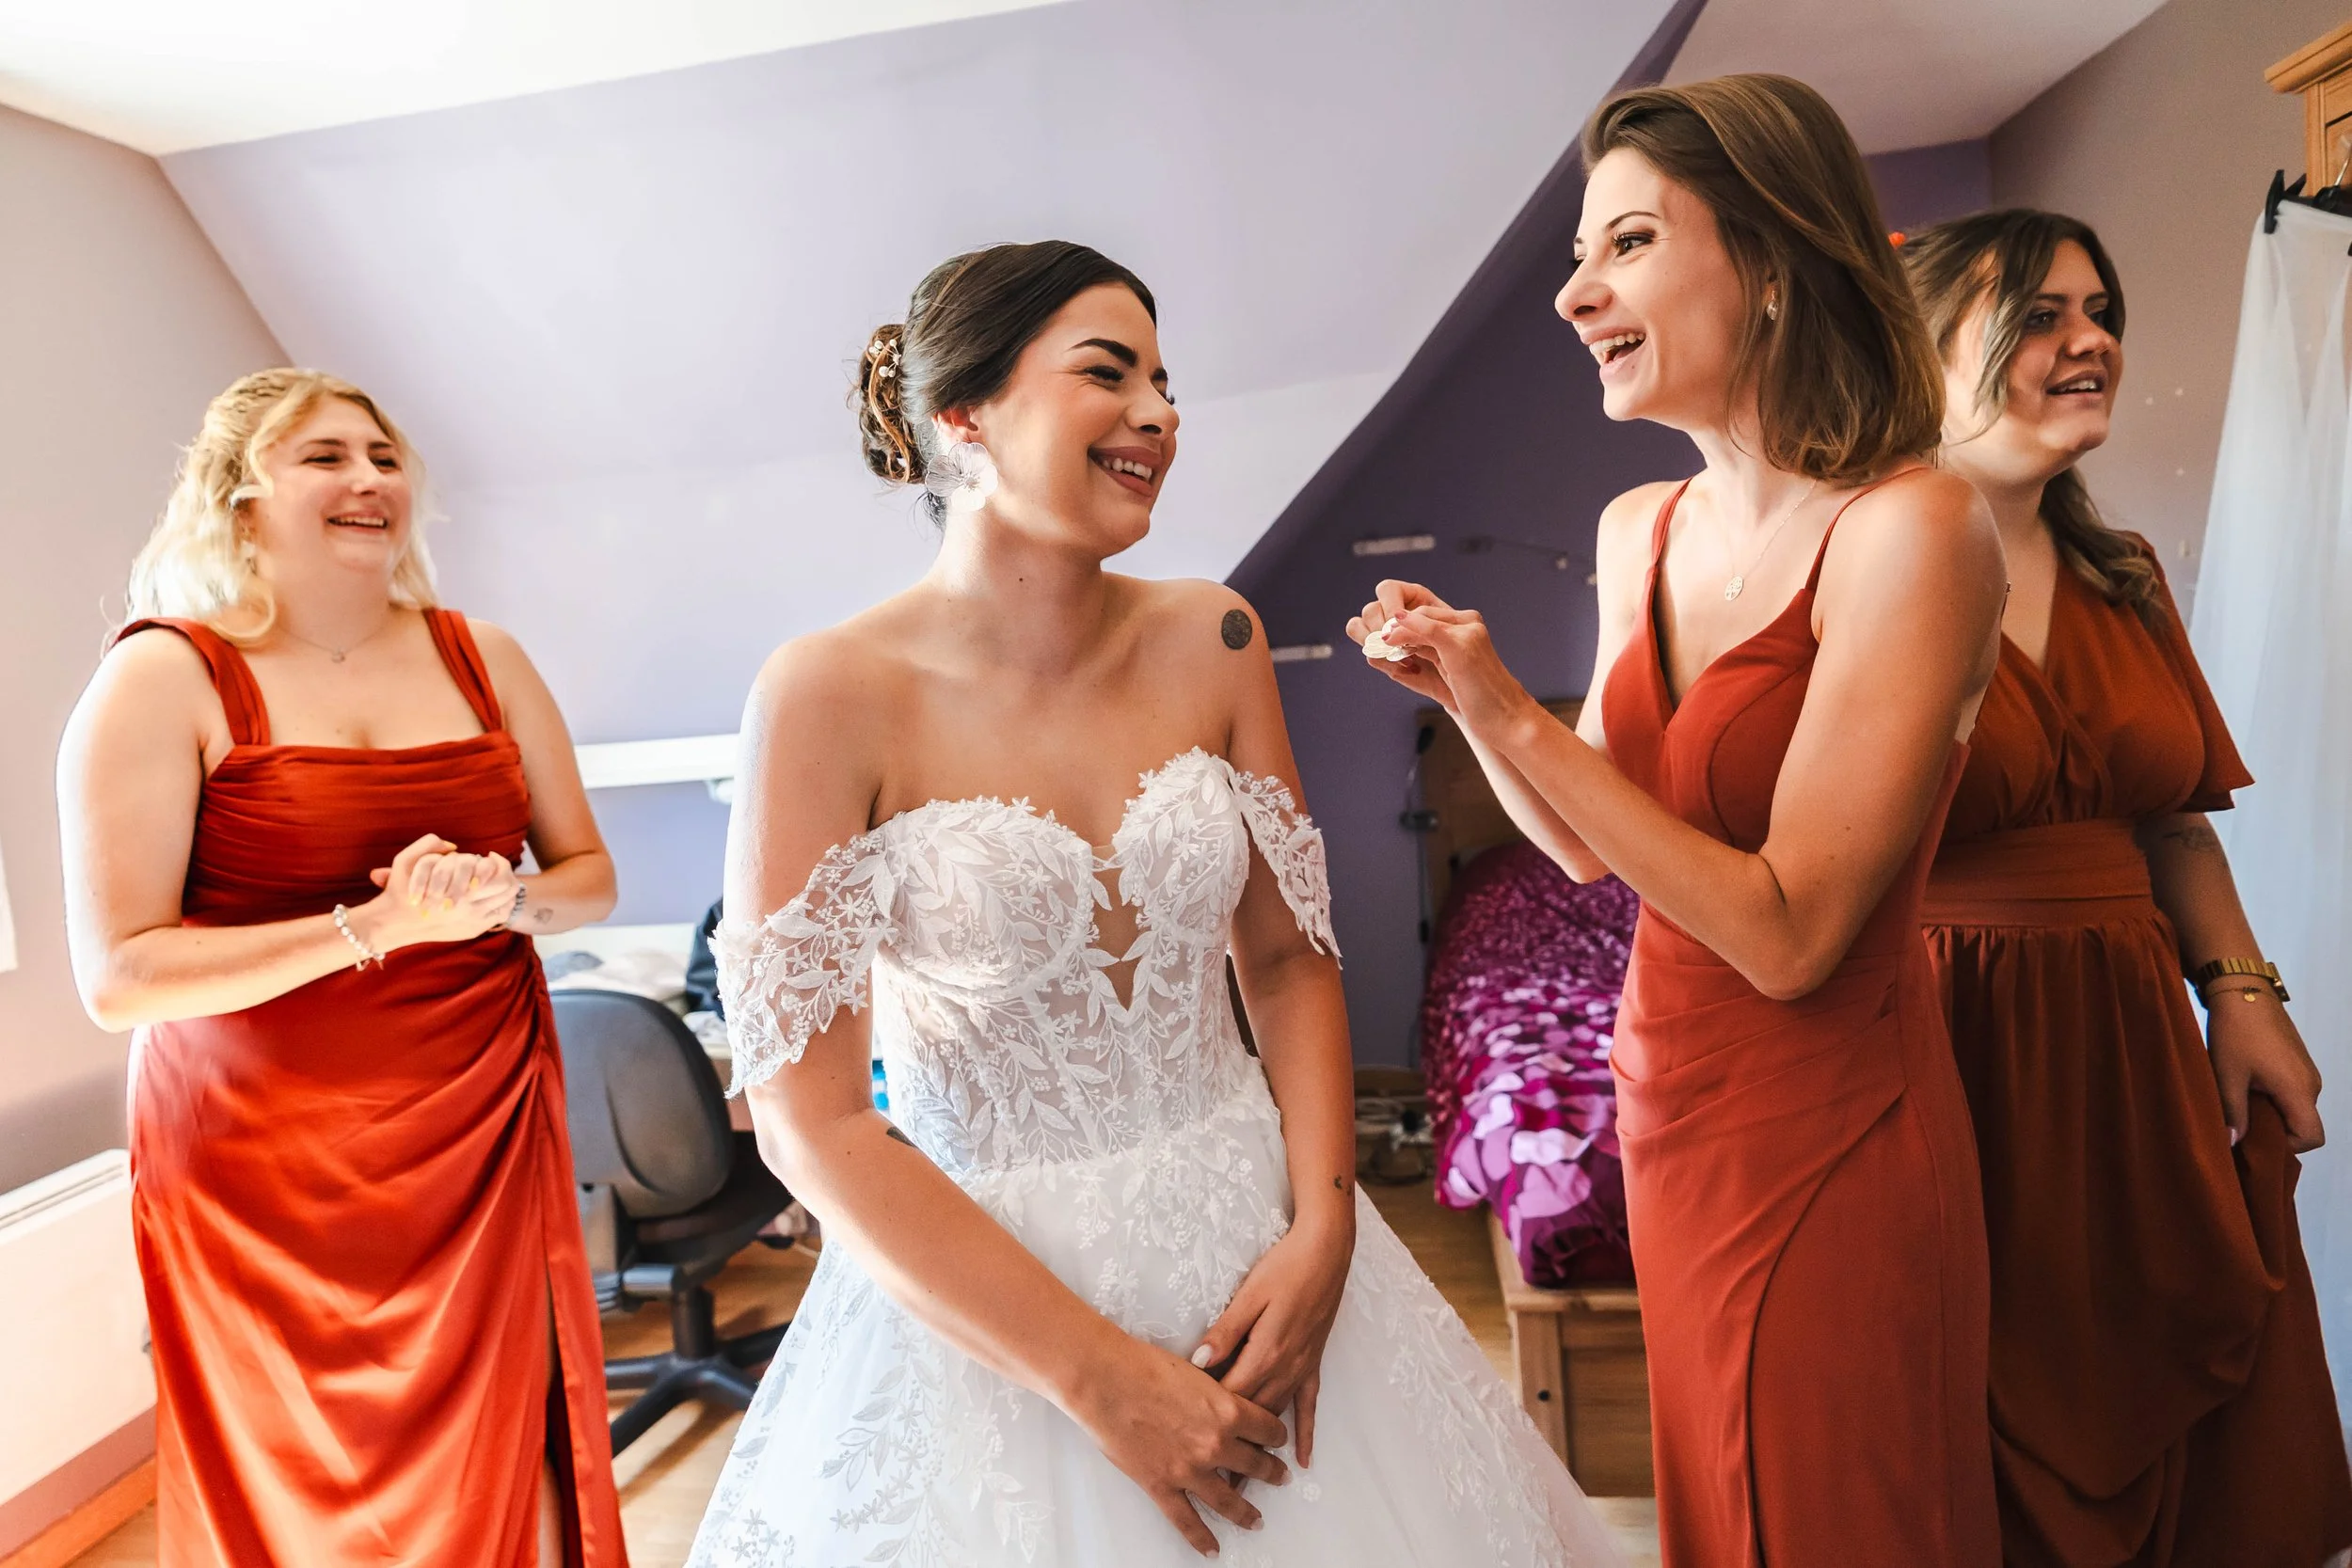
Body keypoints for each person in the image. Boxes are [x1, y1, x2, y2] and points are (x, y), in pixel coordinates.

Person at [687, 241, 1624, 1567]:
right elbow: (809, 1110)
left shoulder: (1215, 637)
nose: (1159, 414)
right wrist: (1097, 1377)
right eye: (1107, 372)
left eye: (1167, 381)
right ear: (966, 414)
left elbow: (1291, 961)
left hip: (1261, 1248)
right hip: (992, 1306)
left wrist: (1326, 1222)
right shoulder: (826, 692)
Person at [1350, 75, 2002, 1566]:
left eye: (1627, 242)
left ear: (1773, 259)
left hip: (1835, 1122)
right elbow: (1587, 842)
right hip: (1671, 1106)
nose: (1576, 293)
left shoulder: (1913, 529)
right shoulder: (1639, 525)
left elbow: (1789, 934)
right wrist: (1465, 695)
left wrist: (1510, 709)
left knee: (1845, 1514)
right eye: (1584, 256)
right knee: (1726, 1509)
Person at [56, 370, 628, 1567]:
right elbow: (119, 976)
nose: (369, 479)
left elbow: (589, 879)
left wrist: (501, 897)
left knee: (501, 1431)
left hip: (478, 1116)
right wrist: (375, 928)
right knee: (299, 1466)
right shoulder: (164, 676)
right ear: (240, 493)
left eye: (383, 455)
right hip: (261, 1151)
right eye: (324, 456)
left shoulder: (486, 657)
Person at [1902, 209, 2352, 1568]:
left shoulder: (2126, 572)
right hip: (1943, 1038)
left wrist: (2246, 996)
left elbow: (2173, 825)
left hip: (2133, 1045)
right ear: (1926, 356)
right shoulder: (1859, 567)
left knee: (2169, 1351)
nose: (2091, 338)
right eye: (2038, 316)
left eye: (2099, 311)